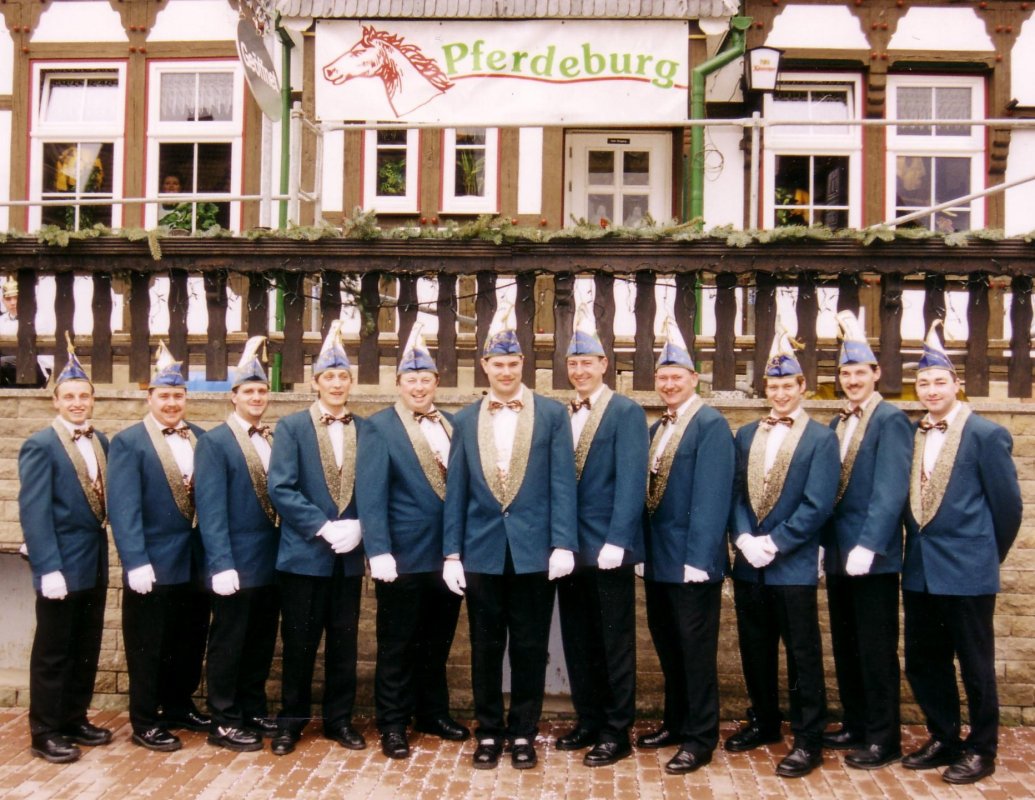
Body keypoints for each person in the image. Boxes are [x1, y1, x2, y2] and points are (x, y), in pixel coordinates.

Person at [442, 303, 578, 770]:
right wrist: (451, 553)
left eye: (512, 364)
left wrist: (563, 543)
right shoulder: (464, 419)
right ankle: (488, 731)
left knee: (529, 645)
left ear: (523, 364)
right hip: (481, 551)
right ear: (485, 366)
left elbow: (562, 483)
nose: (505, 371)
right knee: (484, 648)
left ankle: (523, 732)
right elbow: (456, 490)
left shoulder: (552, 414)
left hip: (533, 551)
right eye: (497, 364)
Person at [901, 322, 1022, 785]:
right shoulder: (913, 433)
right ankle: (944, 737)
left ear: (957, 384)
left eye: (939, 382)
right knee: (924, 660)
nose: (931, 390)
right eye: (923, 383)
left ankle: (982, 748)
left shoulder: (985, 435)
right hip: (921, 570)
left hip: (968, 570)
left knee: (975, 664)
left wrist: (984, 556)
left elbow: (1008, 508)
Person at [726, 322, 839, 779]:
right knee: (755, 648)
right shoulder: (746, 434)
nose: (779, 394)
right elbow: (735, 494)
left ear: (802, 386)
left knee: (802, 653)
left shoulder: (821, 438)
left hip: (792, 564)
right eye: (772, 387)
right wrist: (743, 539)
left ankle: (808, 738)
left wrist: (775, 542)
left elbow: (818, 504)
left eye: (787, 385)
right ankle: (765, 721)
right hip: (749, 564)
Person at [356, 324, 469, 760]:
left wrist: (458, 549)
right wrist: (378, 550)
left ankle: (432, 713)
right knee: (398, 643)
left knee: (438, 641)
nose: (418, 387)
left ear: (436, 382)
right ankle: (392, 722)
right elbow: (371, 494)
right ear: (398, 383)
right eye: (410, 380)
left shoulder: (454, 424)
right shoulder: (379, 427)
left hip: (448, 555)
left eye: (425, 379)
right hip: (402, 556)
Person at [637, 318, 735, 774]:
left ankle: (700, 737)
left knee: (695, 653)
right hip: (660, 560)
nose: (669, 384)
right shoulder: (658, 428)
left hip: (692, 563)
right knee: (670, 648)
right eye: (663, 377)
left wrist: (699, 558)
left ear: (694, 378)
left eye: (676, 376)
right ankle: (676, 723)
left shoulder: (709, 424)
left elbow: (713, 497)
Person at [554, 304, 648, 767]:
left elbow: (632, 481)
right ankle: (588, 719)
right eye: (573, 363)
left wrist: (619, 540)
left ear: (604, 364)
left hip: (608, 548)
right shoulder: (562, 413)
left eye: (587, 363)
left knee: (614, 642)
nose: (579, 371)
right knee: (578, 639)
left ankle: (616, 730)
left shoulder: (625, 411)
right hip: (570, 549)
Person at [267, 320, 367, 756]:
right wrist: (323, 527)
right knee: (299, 644)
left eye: (343, 376)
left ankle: (339, 720)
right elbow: (281, 487)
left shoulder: (366, 429)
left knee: (344, 643)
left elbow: (373, 487)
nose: (337, 383)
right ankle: (291, 723)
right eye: (329, 376)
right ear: (315, 382)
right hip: (305, 554)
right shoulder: (291, 427)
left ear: (350, 382)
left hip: (349, 557)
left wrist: (361, 526)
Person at [108, 342, 211, 752]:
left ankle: (179, 705)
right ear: (149, 397)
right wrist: (134, 560)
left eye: (178, 395)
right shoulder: (129, 442)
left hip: (195, 561)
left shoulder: (200, 437)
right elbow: (123, 507)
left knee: (189, 639)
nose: (172, 403)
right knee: (148, 644)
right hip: (152, 563)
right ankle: (146, 720)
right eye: (164, 395)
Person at [820, 311, 912, 769]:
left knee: (875, 647)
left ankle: (883, 737)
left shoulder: (890, 419)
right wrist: (825, 547)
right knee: (847, 642)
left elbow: (891, 490)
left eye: (860, 373)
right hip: (840, 552)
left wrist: (870, 544)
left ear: (876, 373)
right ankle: (856, 723)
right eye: (846, 374)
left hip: (871, 556)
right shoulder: (839, 422)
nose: (852, 381)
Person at [19, 337, 111, 763]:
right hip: (59, 563)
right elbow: (34, 511)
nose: (77, 403)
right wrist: (47, 567)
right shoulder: (40, 444)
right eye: (69, 397)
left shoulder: (100, 440)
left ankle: (74, 717)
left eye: (83, 396)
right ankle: (45, 730)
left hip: (93, 560)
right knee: (54, 650)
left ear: (92, 400)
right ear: (55, 401)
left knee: (85, 645)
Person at [194, 337, 281, 752]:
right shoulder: (215, 441)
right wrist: (221, 563)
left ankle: (252, 707)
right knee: (229, 642)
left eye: (262, 391)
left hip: (269, 561)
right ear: (234, 396)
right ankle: (224, 721)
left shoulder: (270, 437)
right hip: (235, 563)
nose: (256, 397)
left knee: (260, 641)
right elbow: (210, 509)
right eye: (249, 391)